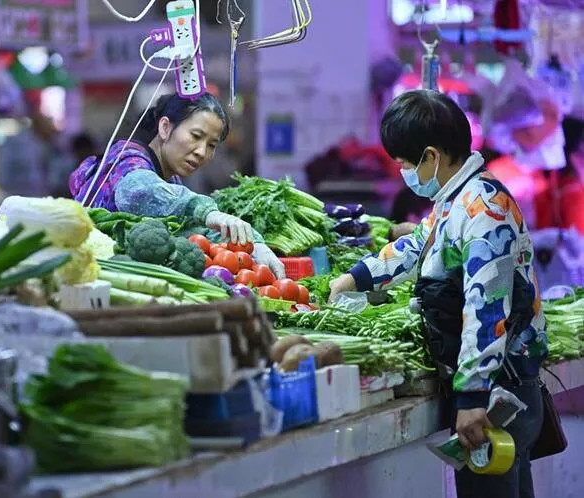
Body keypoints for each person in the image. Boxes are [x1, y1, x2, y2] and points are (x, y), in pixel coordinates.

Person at [328, 90, 547, 498]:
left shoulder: (485, 210)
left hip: (502, 390)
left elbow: (487, 306)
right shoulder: (457, 201)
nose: (405, 172)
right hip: (499, 387)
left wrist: (472, 396)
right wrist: (357, 278)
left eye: (407, 163)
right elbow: (418, 246)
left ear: (431, 156)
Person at [69, 92, 285, 277]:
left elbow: (192, 229)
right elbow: (138, 191)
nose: (202, 152)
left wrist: (252, 243)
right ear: (165, 127)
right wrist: (204, 210)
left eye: (211, 145)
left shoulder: (169, 178)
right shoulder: (127, 160)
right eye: (195, 136)